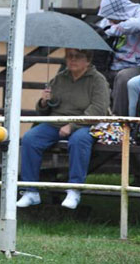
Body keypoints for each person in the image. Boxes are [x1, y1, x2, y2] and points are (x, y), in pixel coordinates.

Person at [16, 48, 109, 210]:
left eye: (77, 57)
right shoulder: (59, 78)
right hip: (56, 122)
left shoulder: (98, 80)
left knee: (79, 140)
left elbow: (99, 110)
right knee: (30, 138)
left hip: (87, 124)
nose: (72, 60)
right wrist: (44, 102)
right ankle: (30, 191)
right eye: (69, 57)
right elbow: (45, 111)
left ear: (87, 61)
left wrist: (72, 125)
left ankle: (74, 190)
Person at [96, 0, 140, 116]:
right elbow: (100, 26)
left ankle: (118, 120)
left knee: (123, 77)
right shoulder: (112, 19)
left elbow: (138, 24)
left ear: (118, 12)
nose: (109, 21)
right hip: (115, 64)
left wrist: (110, 31)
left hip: (139, 67)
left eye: (111, 18)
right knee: (96, 75)